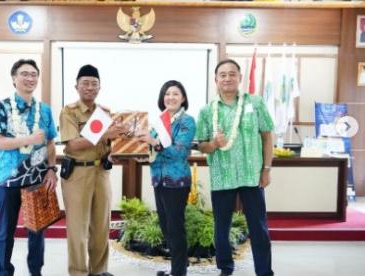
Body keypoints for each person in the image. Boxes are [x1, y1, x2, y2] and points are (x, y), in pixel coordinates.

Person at [196, 59, 274, 276]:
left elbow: (267, 136)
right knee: (221, 228)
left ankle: (265, 272)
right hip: (223, 175)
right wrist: (214, 144)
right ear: (216, 80)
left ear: (240, 77)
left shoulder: (255, 103)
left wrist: (266, 169)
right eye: (222, 74)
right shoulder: (206, 111)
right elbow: (202, 145)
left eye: (232, 74)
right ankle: (225, 268)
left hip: (252, 176)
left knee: (258, 227)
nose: (227, 78)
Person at [0, 59, 58, 276]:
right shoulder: (0, 107)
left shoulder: (45, 110)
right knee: (6, 232)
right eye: (24, 74)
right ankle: (4, 272)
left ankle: (35, 271)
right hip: (8, 178)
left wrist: (51, 169)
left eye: (34, 74)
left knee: (37, 230)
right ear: (14, 78)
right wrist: (28, 138)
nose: (30, 78)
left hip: (37, 178)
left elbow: (49, 143)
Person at [59, 64, 125, 276]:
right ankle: (78, 272)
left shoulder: (104, 112)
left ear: (99, 87)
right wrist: (105, 135)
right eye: (85, 83)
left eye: (94, 83)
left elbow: (109, 143)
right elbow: (72, 145)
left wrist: (118, 148)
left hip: (101, 173)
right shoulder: (69, 111)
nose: (89, 87)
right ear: (76, 86)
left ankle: (99, 271)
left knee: (101, 227)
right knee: (78, 230)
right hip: (77, 174)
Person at [136, 80, 196, 276]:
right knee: (165, 226)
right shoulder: (159, 121)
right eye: (167, 94)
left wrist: (153, 142)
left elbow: (179, 152)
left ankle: (179, 272)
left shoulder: (187, 121)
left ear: (183, 98)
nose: (170, 97)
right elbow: (151, 149)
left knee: (175, 227)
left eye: (175, 94)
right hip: (159, 179)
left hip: (176, 182)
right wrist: (140, 152)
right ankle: (178, 266)